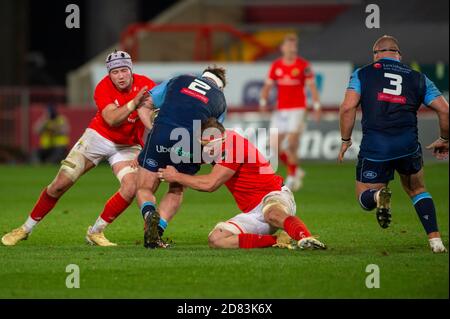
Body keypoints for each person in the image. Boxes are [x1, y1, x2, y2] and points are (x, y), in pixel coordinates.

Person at [2, 50, 156, 247]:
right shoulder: (102, 87)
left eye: (124, 70)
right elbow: (111, 119)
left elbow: (153, 117)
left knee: (132, 186)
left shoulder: (147, 85)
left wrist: (148, 147)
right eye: (115, 72)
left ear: (131, 70)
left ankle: (96, 232)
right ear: (109, 74)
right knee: (59, 185)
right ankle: (25, 229)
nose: (120, 76)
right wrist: (133, 103)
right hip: (98, 137)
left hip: (128, 145)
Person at [338, 35, 448, 253]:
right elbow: (445, 110)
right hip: (408, 145)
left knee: (364, 197)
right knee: (417, 189)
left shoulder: (363, 73)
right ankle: (435, 241)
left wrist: (345, 140)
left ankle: (379, 196)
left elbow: (347, 108)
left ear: (376, 54)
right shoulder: (418, 77)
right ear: (399, 55)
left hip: (376, 147)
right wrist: (445, 139)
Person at [158, 118, 326, 250]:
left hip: (274, 196)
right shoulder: (219, 142)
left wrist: (176, 176)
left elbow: (210, 184)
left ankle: (306, 237)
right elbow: (191, 155)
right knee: (217, 239)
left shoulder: (233, 147)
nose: (203, 150)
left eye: (205, 145)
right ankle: (278, 239)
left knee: (272, 214)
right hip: (252, 212)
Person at [136, 66, 228, 249]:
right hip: (189, 143)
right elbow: (211, 137)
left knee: (145, 187)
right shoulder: (221, 100)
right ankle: (156, 234)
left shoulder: (179, 79)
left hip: (162, 131)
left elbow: (145, 104)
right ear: (220, 86)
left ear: (203, 76)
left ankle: (148, 215)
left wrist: (151, 127)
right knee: (176, 188)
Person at [259, 33, 322, 191]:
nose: (292, 49)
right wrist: (263, 101)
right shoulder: (276, 66)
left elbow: (312, 87)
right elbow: (267, 86)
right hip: (281, 110)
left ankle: (292, 176)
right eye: (289, 46)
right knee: (274, 145)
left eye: (294, 46)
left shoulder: (303, 65)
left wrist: (316, 106)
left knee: (292, 143)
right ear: (283, 48)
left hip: (298, 109)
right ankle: (296, 169)